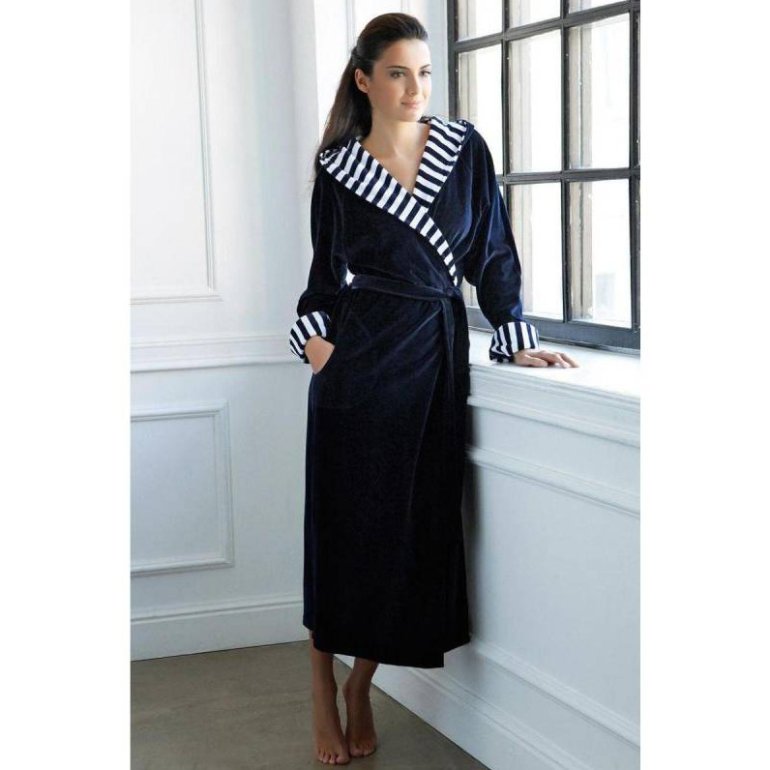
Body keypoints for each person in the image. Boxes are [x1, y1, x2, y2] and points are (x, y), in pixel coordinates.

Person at [289, 12, 579, 766]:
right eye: (397, 73)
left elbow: (493, 251)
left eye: (423, 73)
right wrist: (319, 347)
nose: (415, 88)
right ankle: (321, 684)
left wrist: (514, 335)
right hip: (356, 367)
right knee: (343, 530)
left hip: (432, 359)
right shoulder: (338, 169)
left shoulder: (463, 149)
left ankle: (362, 683)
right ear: (364, 80)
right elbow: (322, 280)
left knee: (409, 530)